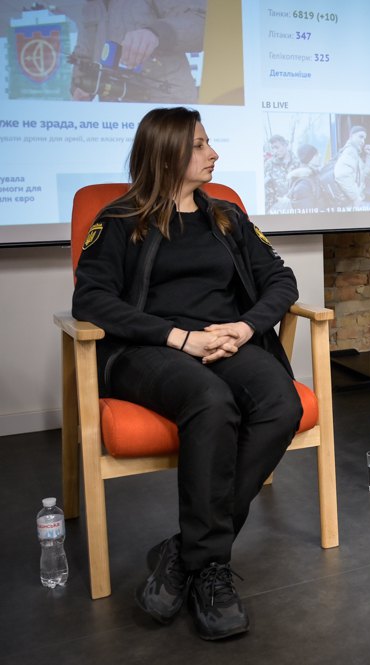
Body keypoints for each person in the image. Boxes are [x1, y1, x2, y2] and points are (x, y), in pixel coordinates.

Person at [72, 107, 302, 639]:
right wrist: (178, 337)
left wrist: (245, 328)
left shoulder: (227, 216)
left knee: (281, 403)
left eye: (209, 142)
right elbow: (90, 298)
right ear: (168, 152)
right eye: (200, 145)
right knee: (211, 401)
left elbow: (280, 280)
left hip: (224, 341)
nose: (213, 153)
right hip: (149, 350)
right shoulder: (118, 220)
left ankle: (189, 552)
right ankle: (212, 567)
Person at [70, 0, 205, 103]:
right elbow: (83, 54)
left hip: (165, 106)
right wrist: (79, 85)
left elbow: (202, 21)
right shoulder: (90, 5)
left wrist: (156, 33)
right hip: (115, 116)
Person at [332, 125, 370, 208]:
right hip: (351, 203)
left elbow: (364, 173)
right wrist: (355, 198)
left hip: (353, 200)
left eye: (364, 138)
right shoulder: (350, 151)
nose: (363, 141)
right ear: (351, 136)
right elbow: (341, 175)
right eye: (360, 137)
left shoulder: (355, 153)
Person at [263, 134, 299, 212]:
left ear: (286, 145)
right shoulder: (269, 165)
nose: (274, 151)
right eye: (272, 148)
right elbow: (266, 189)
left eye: (277, 147)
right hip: (277, 210)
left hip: (297, 210)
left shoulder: (298, 163)